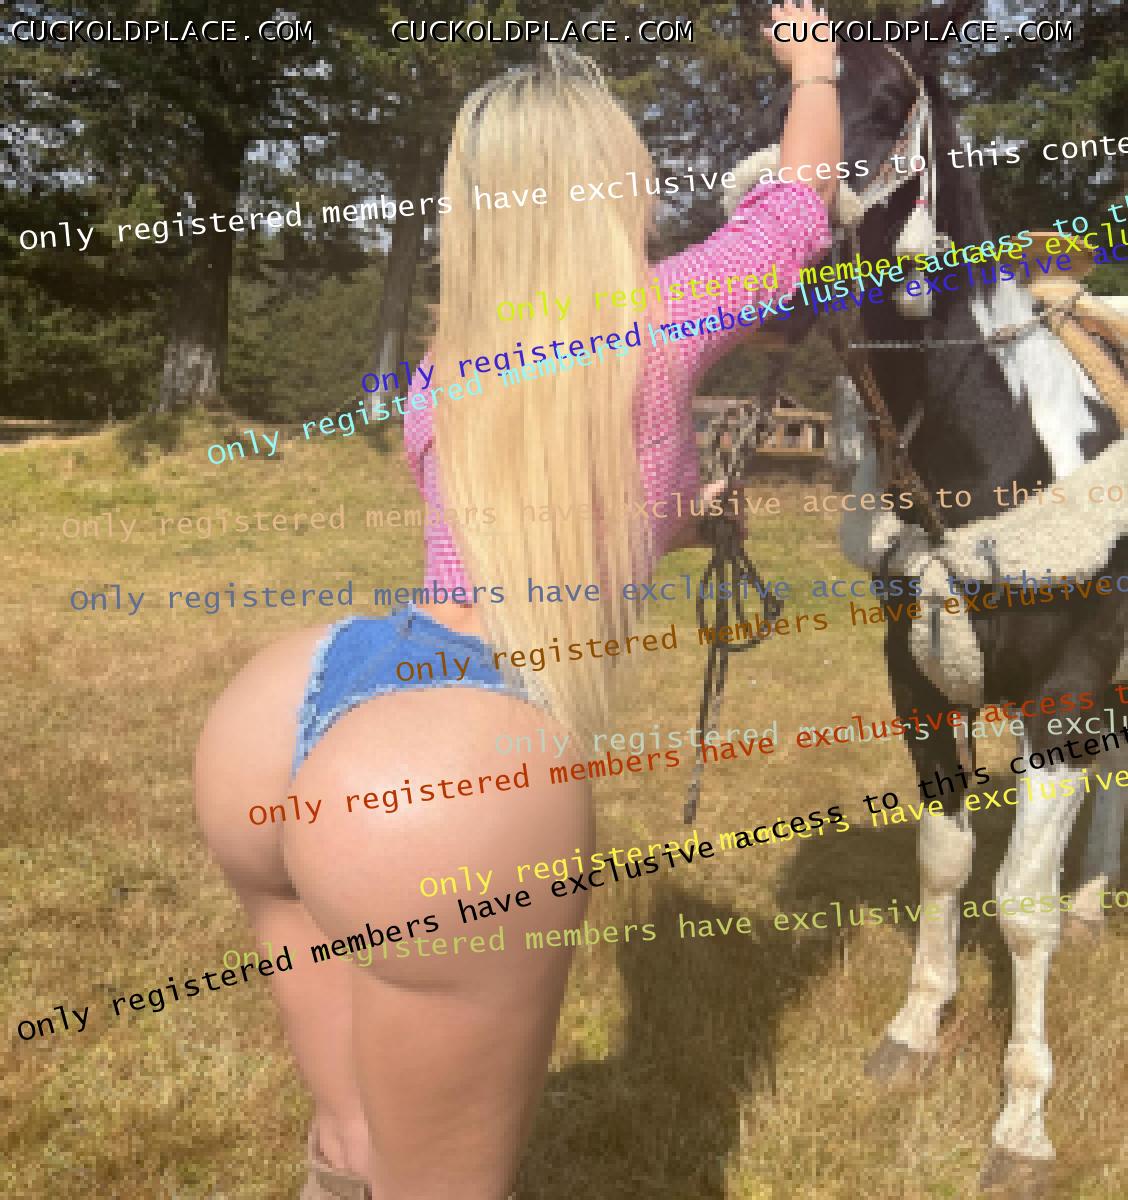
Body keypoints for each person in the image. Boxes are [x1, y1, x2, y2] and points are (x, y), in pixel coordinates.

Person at [194, 4, 840, 1196]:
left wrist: (678, 517)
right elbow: (796, 214)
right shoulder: (661, 317)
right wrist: (813, 69)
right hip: (454, 771)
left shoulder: (442, 369)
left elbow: (527, 524)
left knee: (350, 1143)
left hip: (291, 705)